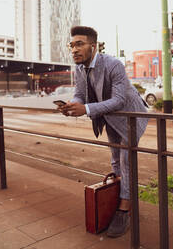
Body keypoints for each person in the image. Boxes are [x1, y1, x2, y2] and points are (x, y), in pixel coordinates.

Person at [59, 26, 148, 238]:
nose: (74, 49)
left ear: (93, 45)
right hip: (110, 119)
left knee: (126, 160)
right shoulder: (80, 69)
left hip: (131, 118)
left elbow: (119, 100)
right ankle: (122, 195)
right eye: (71, 45)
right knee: (116, 160)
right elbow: (80, 93)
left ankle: (125, 208)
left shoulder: (113, 64)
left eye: (79, 44)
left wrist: (86, 109)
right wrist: (73, 105)